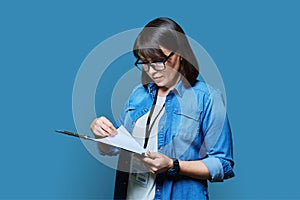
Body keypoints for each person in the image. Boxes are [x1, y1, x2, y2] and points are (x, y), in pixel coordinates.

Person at [90, 17, 234, 200]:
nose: (152, 70)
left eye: (159, 61)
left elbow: (222, 164)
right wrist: (100, 133)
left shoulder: (208, 98)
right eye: (145, 62)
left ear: (180, 53)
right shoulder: (137, 95)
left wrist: (174, 165)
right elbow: (111, 149)